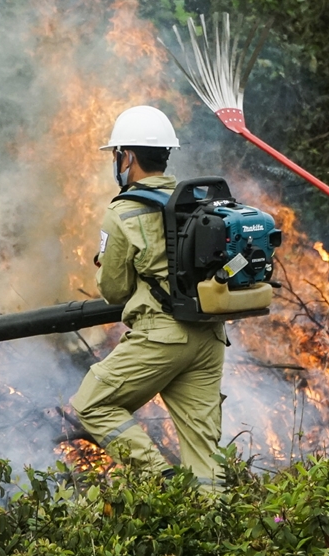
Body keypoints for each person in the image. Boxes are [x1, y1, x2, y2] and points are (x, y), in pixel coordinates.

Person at [69, 105, 228, 490]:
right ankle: (215, 521)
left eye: (117, 155)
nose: (116, 162)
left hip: (162, 338)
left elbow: (114, 291)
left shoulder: (124, 212)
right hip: (209, 335)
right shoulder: (196, 203)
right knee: (203, 453)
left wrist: (103, 264)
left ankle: (161, 480)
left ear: (128, 157)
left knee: (91, 403)